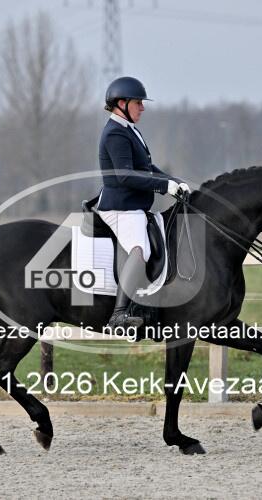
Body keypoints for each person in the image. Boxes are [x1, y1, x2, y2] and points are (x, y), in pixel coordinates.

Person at [96, 76, 190, 330]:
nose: (142, 107)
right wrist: (163, 187)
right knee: (140, 250)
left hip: (134, 207)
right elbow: (125, 176)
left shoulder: (128, 129)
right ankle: (119, 314)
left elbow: (147, 167)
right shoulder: (115, 133)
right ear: (122, 103)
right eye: (138, 102)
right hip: (121, 208)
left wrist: (173, 182)